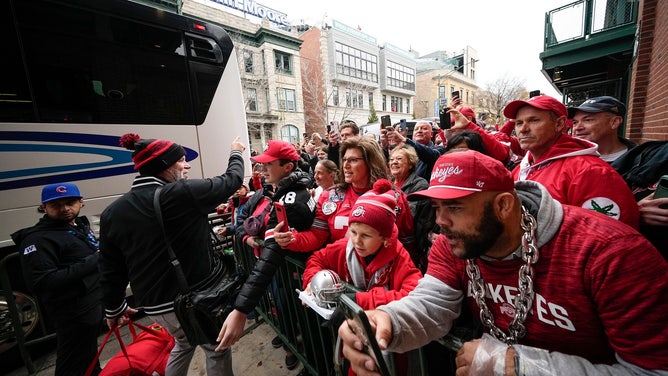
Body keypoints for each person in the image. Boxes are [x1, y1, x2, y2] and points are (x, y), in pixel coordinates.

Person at [339, 150, 668, 375]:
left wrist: (519, 367)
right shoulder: (452, 244)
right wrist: (384, 320)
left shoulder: (611, 254)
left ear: (503, 206)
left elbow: (653, 370)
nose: (440, 221)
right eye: (437, 208)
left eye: (454, 208)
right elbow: (431, 305)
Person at [99, 133, 245, 376]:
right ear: (164, 166)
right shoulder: (180, 193)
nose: (186, 165)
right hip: (190, 300)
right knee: (217, 347)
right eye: (181, 160)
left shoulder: (112, 212)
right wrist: (236, 152)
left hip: (155, 306)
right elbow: (232, 180)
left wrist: (113, 309)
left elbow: (111, 267)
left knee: (183, 342)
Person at [302, 179, 422, 376]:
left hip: (389, 348)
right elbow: (316, 259)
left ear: (384, 238)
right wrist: (312, 280)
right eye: (353, 232)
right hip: (355, 342)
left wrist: (356, 301)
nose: (356, 241)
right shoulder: (345, 246)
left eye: (365, 235)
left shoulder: (400, 257)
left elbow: (412, 294)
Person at [216, 140, 316, 371]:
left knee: (308, 326)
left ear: (287, 167)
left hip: (298, 274)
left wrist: (241, 308)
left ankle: (314, 363)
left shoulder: (289, 200)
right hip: (294, 272)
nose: (262, 170)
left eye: (268, 164)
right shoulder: (289, 192)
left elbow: (270, 256)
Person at [502, 95, 639, 228]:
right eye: (519, 123)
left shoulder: (590, 171)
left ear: (560, 124)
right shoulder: (523, 166)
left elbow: (612, 238)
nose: (523, 129)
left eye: (534, 120)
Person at [11, 183, 103, 376]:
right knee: (72, 366)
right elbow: (43, 282)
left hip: (90, 308)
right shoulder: (38, 239)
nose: (65, 209)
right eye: (56, 205)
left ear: (81, 202)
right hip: (72, 314)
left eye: (70, 202)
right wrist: (94, 259)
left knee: (89, 361)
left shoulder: (76, 227)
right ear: (43, 207)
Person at [274, 136, 415, 255]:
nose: (345, 165)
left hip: (380, 276)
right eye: (345, 160)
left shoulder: (394, 197)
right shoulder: (329, 195)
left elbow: (407, 244)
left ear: (370, 163)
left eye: (353, 160)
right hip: (340, 274)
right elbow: (317, 236)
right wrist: (293, 239)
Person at [388, 144, 431, 272]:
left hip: (409, 247)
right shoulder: (387, 183)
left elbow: (409, 215)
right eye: (391, 159)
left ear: (410, 164)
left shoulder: (419, 185)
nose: (394, 162)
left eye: (399, 159)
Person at [568, 96, 635, 162]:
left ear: (615, 122)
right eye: (575, 122)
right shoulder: (566, 156)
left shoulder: (641, 161)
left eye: (588, 120)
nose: (577, 128)